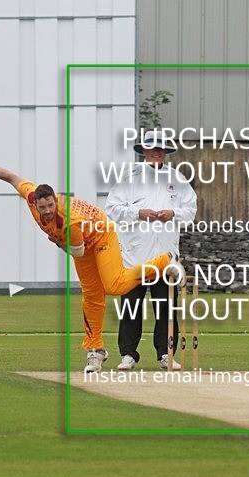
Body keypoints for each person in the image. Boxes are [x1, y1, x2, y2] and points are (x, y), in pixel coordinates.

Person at [0, 152, 180, 373]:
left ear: (56, 201)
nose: (46, 211)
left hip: (100, 236)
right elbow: (11, 177)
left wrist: (57, 242)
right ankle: (95, 351)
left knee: (115, 286)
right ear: (34, 202)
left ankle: (164, 261)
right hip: (82, 244)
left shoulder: (70, 221)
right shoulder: (32, 196)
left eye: (50, 206)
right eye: (42, 207)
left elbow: (76, 250)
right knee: (92, 298)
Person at [106, 130, 197, 372]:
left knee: (166, 308)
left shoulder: (177, 179)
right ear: (144, 151)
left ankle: (166, 354)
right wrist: (138, 214)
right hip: (135, 256)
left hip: (165, 256)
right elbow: (112, 208)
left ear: (166, 152)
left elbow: (190, 212)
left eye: (161, 148)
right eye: (152, 148)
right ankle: (128, 355)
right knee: (131, 307)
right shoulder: (130, 177)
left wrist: (173, 214)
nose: (156, 152)